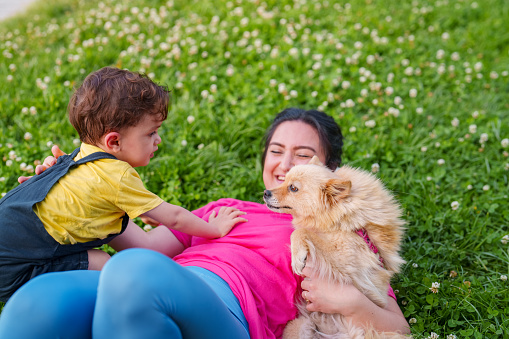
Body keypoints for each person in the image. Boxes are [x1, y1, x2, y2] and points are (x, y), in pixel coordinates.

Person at [0, 108, 410, 338]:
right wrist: (82, 199)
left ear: (330, 173)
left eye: (303, 156)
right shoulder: (229, 208)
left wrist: (351, 302)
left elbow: (396, 325)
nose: (284, 166)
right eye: (276, 151)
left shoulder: (339, 235)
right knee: (34, 307)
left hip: (232, 318)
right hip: (155, 287)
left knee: (133, 275)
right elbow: (148, 249)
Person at [0, 67, 246, 303]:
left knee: (121, 245)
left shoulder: (81, 156)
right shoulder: (117, 175)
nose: (158, 140)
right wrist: (214, 229)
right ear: (114, 141)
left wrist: (146, 211)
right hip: (17, 268)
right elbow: (175, 218)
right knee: (104, 265)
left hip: (11, 234)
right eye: (151, 133)